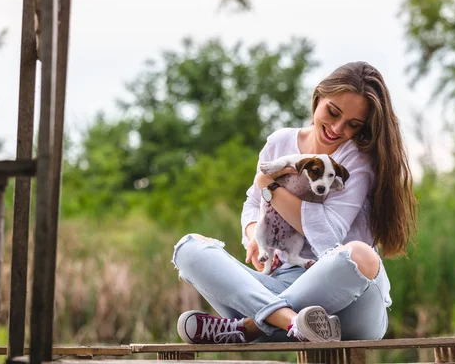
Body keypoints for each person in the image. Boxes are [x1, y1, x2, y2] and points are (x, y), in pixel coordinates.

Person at [172, 61, 417, 344]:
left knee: (361, 255)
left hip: (349, 297)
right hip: (283, 280)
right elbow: (253, 203)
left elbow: (328, 237)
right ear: (318, 98)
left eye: (352, 125)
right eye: (332, 112)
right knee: (190, 249)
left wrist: (272, 188)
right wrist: (255, 236)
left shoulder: (357, 160)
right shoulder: (280, 143)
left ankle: (251, 327)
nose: (336, 128)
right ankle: (292, 324)